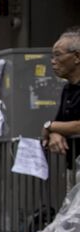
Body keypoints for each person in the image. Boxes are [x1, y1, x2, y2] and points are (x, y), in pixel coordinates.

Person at [43, 27, 80, 164]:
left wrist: (49, 127)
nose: (53, 61)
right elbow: (60, 123)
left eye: (58, 55)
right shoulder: (67, 89)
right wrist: (54, 133)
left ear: (77, 57)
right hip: (73, 165)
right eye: (52, 56)